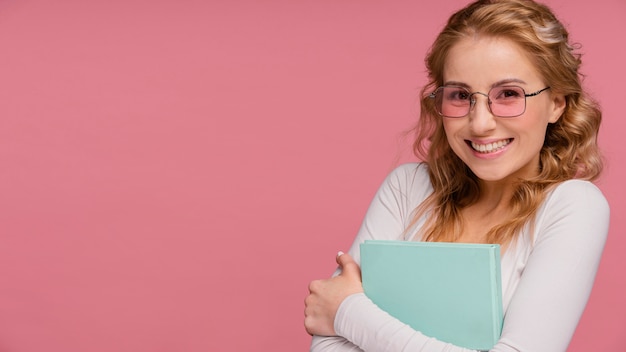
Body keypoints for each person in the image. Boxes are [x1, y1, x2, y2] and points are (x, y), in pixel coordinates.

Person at [303, 0, 610, 351]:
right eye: (461, 95)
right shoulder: (408, 188)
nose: (480, 123)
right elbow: (327, 347)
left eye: (508, 94)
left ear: (557, 102)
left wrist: (347, 311)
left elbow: (334, 313)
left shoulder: (572, 206)